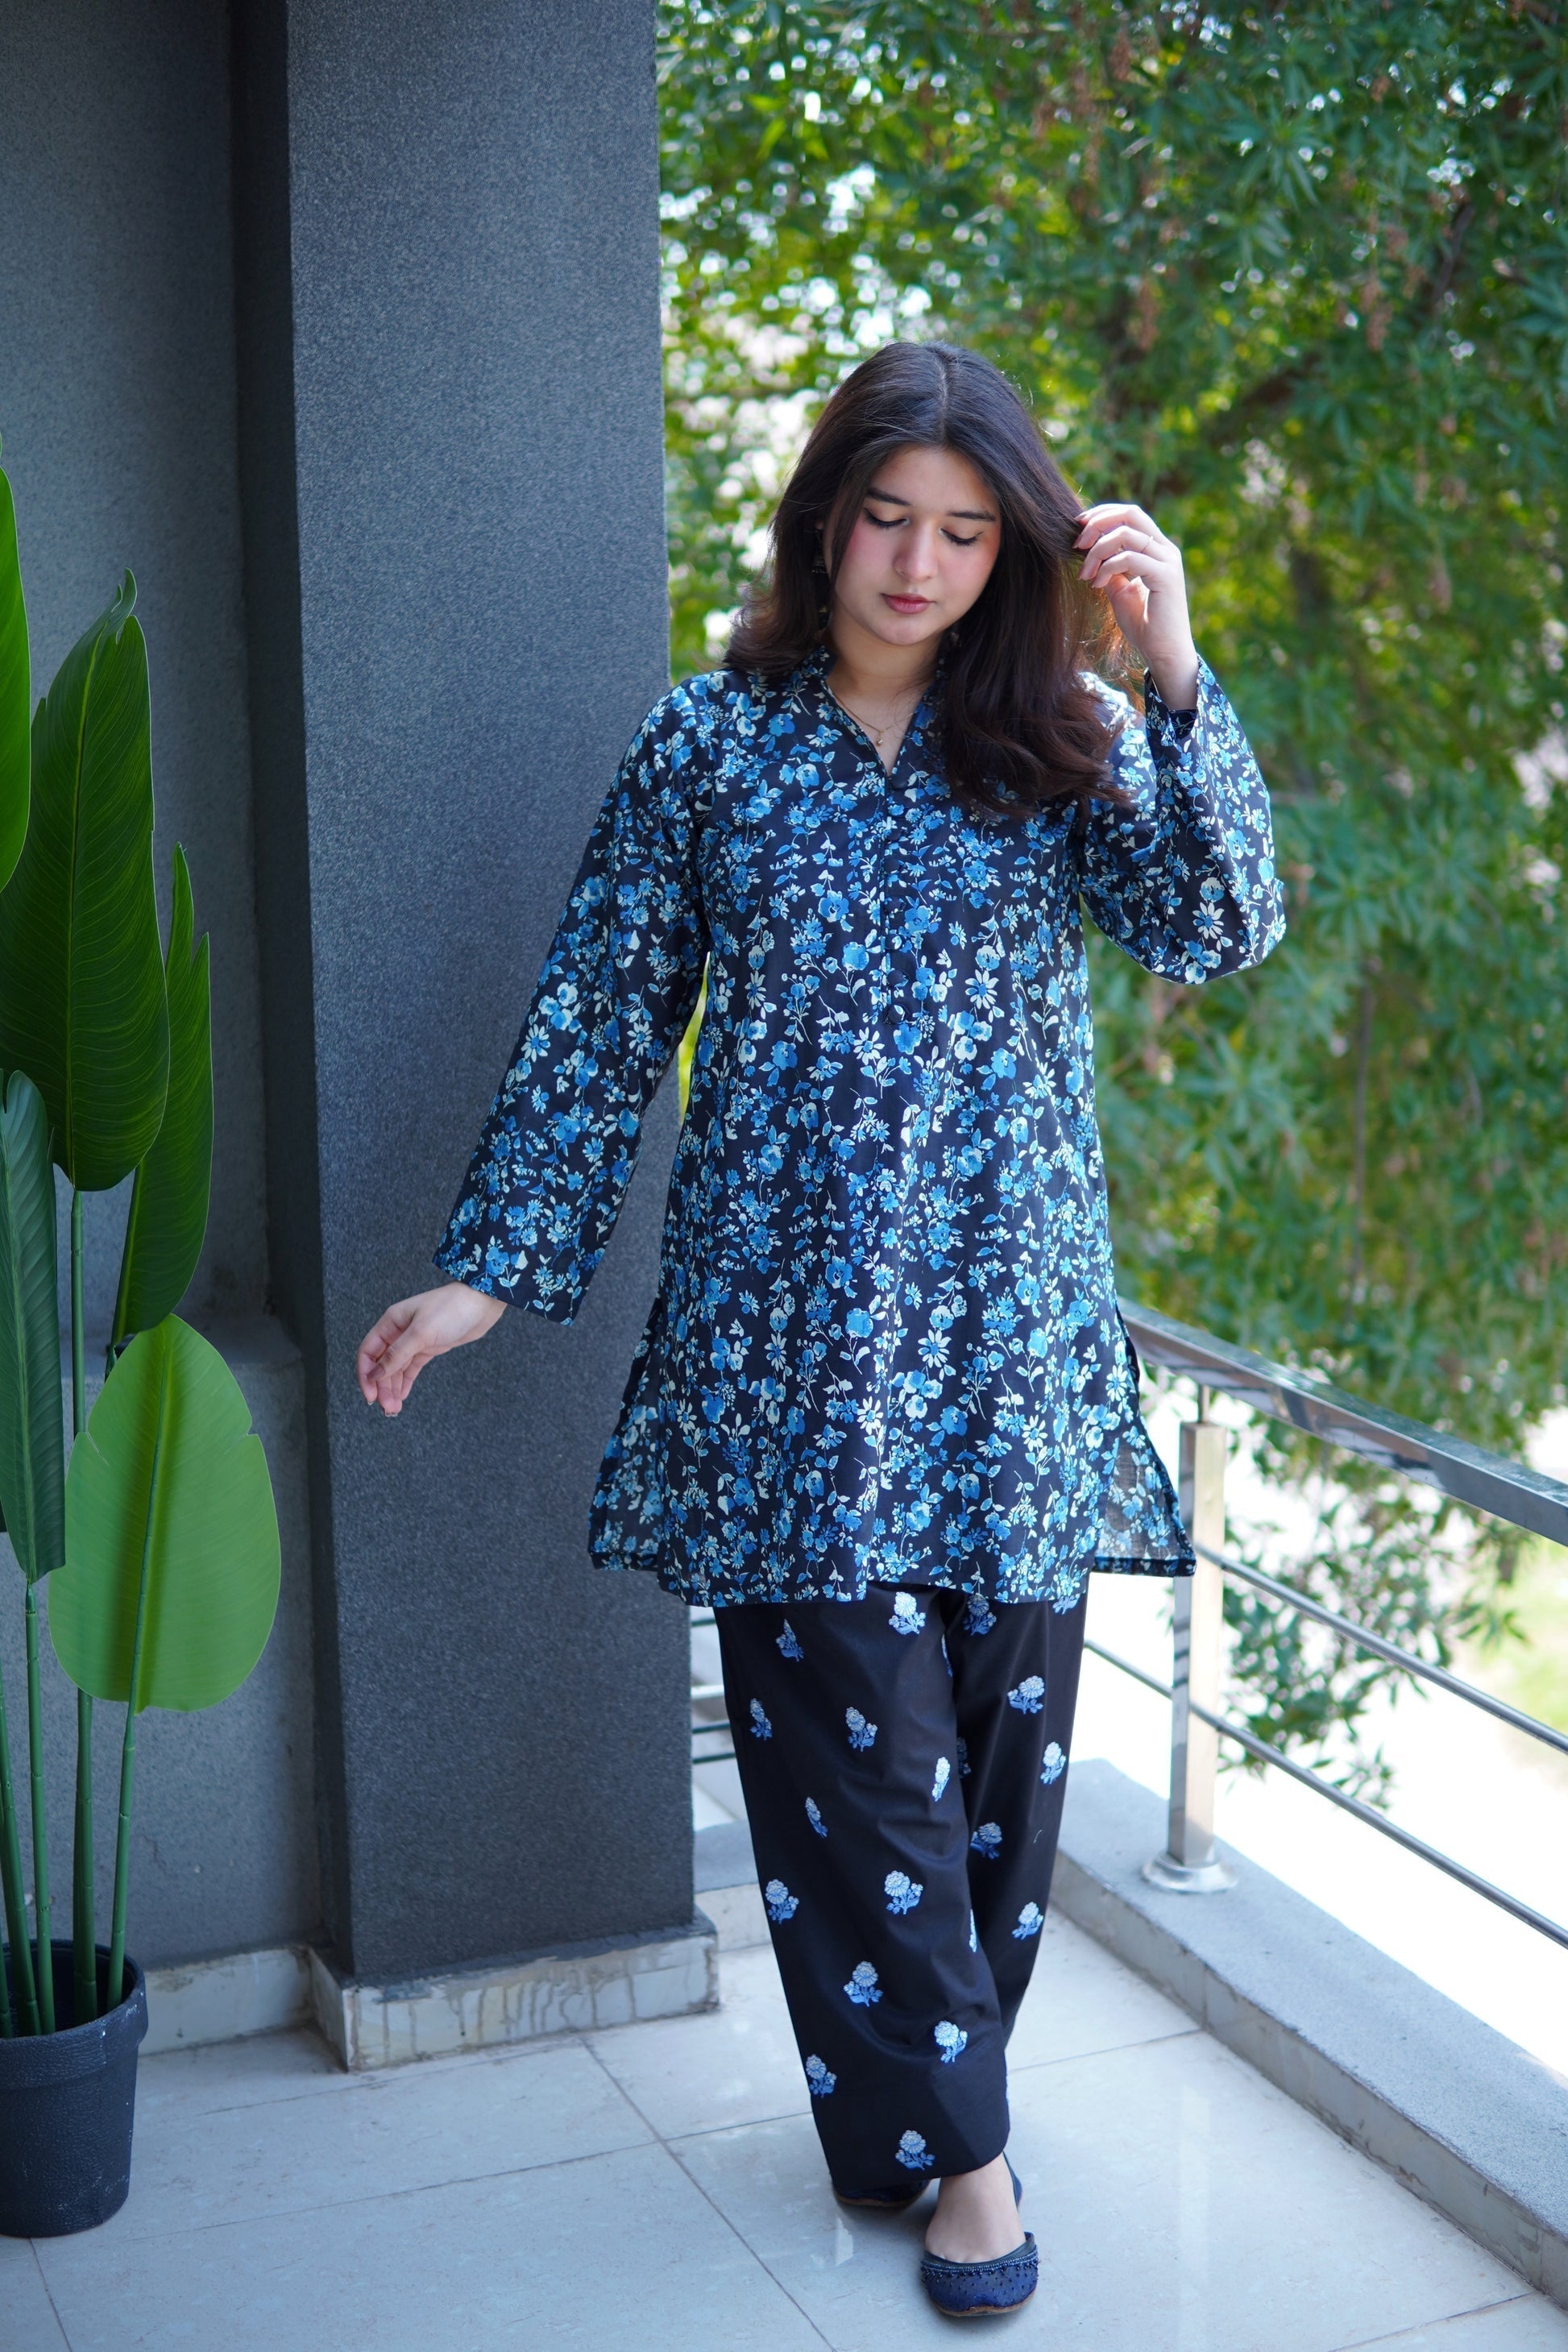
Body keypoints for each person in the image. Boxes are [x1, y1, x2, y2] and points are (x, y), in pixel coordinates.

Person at [357, 340, 1285, 2320]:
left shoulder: (1060, 739)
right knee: (855, 1779)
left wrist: (1175, 667)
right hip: (784, 1359)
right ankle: (974, 2169)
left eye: (964, 531)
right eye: (886, 516)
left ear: (1009, 553)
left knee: (997, 1783)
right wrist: (491, 1270)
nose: (917, 562)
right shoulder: (707, 745)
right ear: (823, 517)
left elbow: (1217, 925)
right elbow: (602, 1010)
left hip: (1012, 1353)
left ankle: (918, 2117)